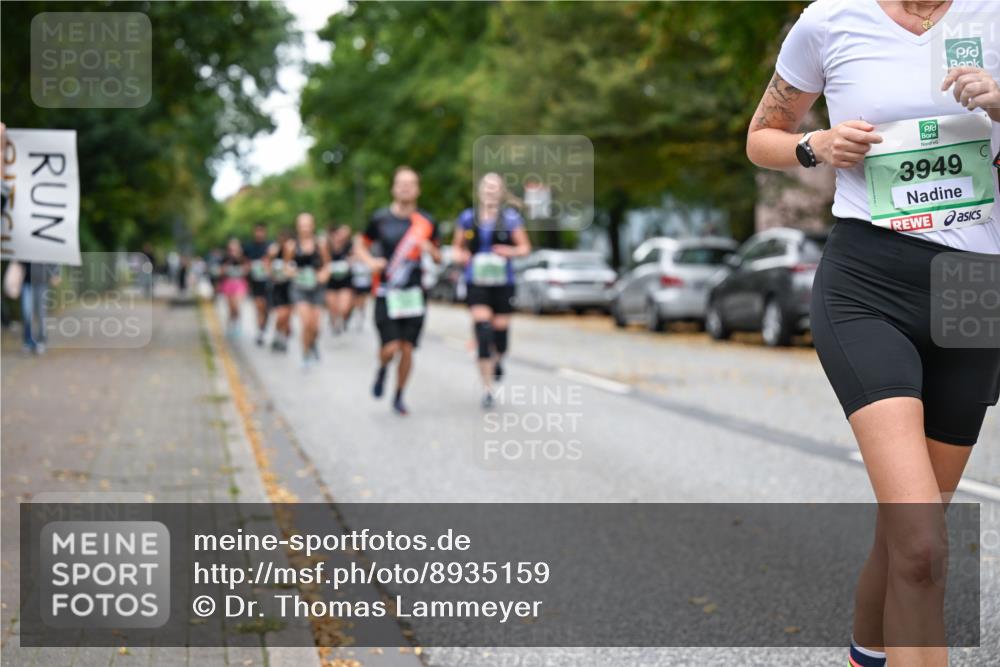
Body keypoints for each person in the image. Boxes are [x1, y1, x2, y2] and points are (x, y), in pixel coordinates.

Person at [746, 2, 1000, 666]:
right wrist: (817, 145)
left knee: (906, 534)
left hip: (973, 292)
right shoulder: (830, 20)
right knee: (922, 546)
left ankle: (866, 652)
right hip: (869, 283)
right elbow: (762, 135)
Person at [354, 166, 440, 415]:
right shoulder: (380, 218)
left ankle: (399, 394)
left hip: (414, 294)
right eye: (401, 183)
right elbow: (360, 244)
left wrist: (430, 250)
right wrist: (371, 263)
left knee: (407, 348)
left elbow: (438, 257)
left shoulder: (427, 221)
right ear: (393, 187)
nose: (405, 187)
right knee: (390, 347)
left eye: (410, 183)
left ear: (418, 190)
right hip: (386, 292)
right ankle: (382, 368)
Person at [452, 173, 531, 407]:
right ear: (480, 191)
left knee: (500, 337)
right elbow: (457, 248)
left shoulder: (510, 218)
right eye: (486, 186)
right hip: (476, 281)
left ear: (501, 192)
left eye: (495, 187)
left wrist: (510, 252)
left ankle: (498, 359)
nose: (490, 190)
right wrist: (462, 256)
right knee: (483, 332)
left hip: (502, 282)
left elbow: (525, 248)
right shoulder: (468, 217)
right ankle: (487, 388)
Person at [285, 213, 329, 367]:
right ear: (297, 227)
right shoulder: (291, 245)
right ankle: (305, 354)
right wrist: (293, 272)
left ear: (313, 226)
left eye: (308, 225)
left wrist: (323, 274)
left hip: (317, 288)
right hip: (300, 288)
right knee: (306, 323)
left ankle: (313, 342)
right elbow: (287, 266)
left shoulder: (320, 244)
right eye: (302, 225)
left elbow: (326, 265)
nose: (305, 228)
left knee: (315, 326)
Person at [244, 223, 272, 346]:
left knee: (266, 307)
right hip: (255, 282)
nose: (259, 234)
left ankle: (264, 325)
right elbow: (245, 263)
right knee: (259, 306)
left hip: (268, 282)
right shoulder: (249, 247)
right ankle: (260, 331)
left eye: (261, 231)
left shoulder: (270, 246)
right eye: (257, 231)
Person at [324, 223, 354, 335]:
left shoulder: (349, 246)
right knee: (333, 307)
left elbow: (356, 256)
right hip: (331, 281)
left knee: (344, 307)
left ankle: (342, 319)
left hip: (345, 281)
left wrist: (351, 261)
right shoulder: (326, 247)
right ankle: (333, 321)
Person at [268, 230, 293, 352]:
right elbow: (268, 267)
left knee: (287, 316)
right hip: (278, 288)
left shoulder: (294, 252)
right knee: (281, 314)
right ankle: (278, 335)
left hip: (291, 288)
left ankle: (283, 338)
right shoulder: (274, 252)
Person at [219, 238, 249, 336]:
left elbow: (247, 269)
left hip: (239, 283)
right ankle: (230, 324)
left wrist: (240, 260)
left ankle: (237, 324)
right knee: (231, 307)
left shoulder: (243, 258)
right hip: (228, 283)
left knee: (237, 306)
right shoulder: (226, 258)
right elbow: (221, 271)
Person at [349, 253, 373, 332]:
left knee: (363, 302)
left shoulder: (368, 261)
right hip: (355, 285)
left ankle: (362, 314)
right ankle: (357, 314)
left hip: (365, 285)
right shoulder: (354, 261)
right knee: (356, 302)